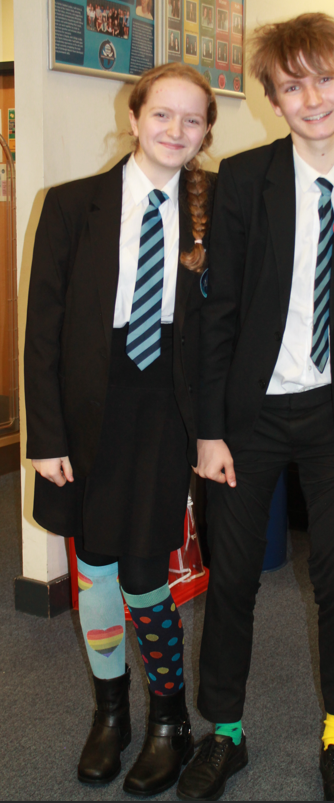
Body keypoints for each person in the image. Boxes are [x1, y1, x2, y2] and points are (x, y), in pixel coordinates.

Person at [178, 12, 334, 803]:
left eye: (325, 78)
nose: (311, 96)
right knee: (235, 579)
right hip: (248, 418)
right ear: (272, 100)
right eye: (291, 85)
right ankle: (226, 734)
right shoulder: (244, 180)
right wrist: (209, 429)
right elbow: (217, 314)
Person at [24, 63, 217, 797]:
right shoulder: (73, 205)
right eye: (161, 115)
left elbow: (299, 188)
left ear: (204, 133)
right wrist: (45, 435)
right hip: (88, 407)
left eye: (191, 120)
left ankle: (169, 718)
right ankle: (112, 715)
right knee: (95, 563)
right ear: (133, 118)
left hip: (167, 405)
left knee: (143, 568)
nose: (175, 130)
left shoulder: (218, 205)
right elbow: (41, 333)